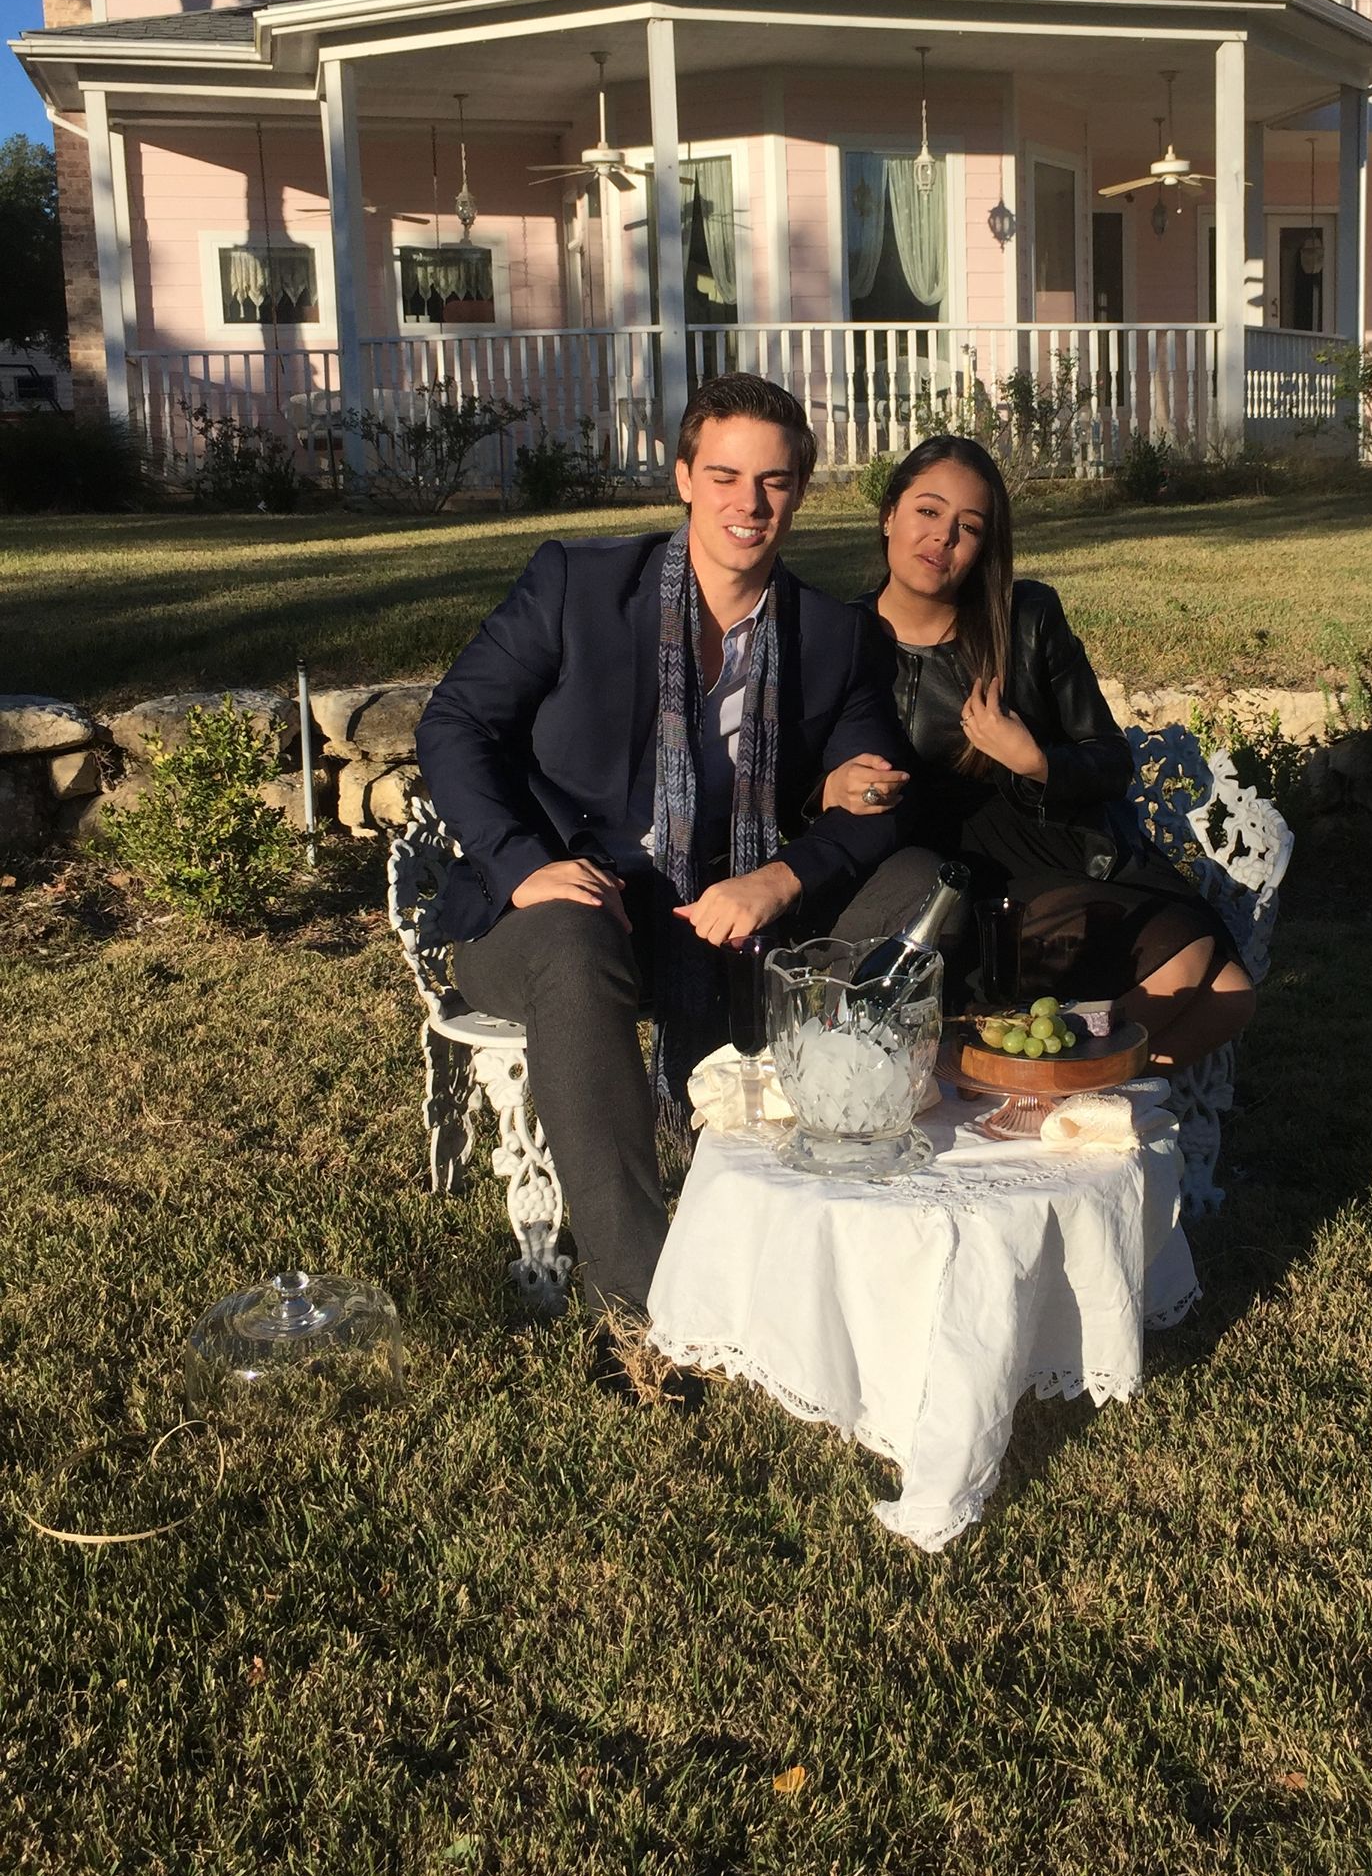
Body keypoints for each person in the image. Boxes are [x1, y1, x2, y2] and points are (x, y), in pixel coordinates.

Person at [416, 374, 908, 1373]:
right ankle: (648, 1307)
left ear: (801, 492)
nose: (748, 504)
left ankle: (835, 1207)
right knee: (573, 933)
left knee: (918, 884)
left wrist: (785, 874)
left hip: (724, 918)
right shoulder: (579, 588)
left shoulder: (835, 634)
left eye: (774, 482)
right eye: (724, 475)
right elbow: (454, 724)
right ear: (683, 476)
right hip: (550, 915)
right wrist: (522, 865)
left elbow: (874, 801)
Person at [824, 436, 1254, 1071]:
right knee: (1209, 980)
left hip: (1046, 843)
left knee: (1226, 994)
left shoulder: (1025, 619)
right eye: (927, 511)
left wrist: (1035, 763)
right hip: (940, 871)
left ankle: (1052, 1099)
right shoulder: (837, 636)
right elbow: (789, 781)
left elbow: (1111, 760)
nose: (942, 537)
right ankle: (1046, 1090)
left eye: (967, 527)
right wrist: (831, 787)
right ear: (889, 514)